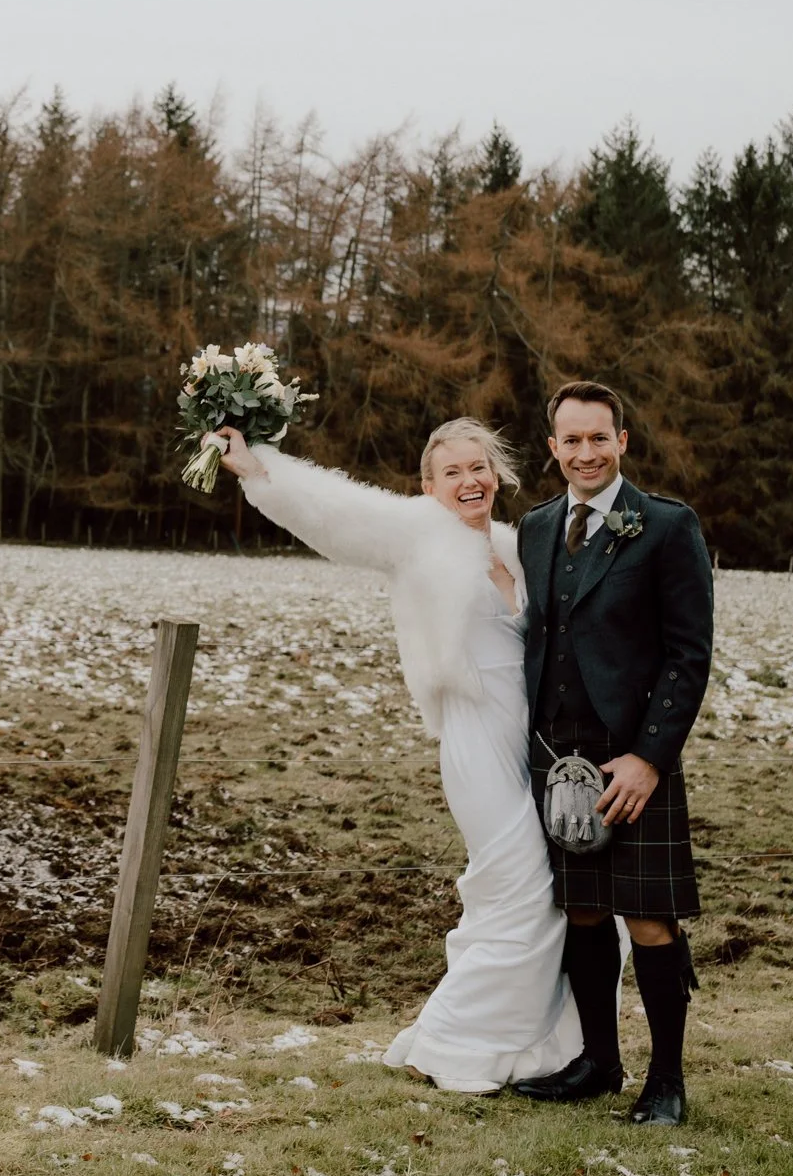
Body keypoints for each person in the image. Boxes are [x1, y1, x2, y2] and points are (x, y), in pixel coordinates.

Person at [207, 418, 582, 1094]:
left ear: (497, 473)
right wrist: (256, 466)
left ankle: (534, 1044)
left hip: (532, 740)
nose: (469, 482)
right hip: (472, 733)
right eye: (453, 472)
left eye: (479, 468)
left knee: (548, 890)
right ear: (427, 484)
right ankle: (452, 1041)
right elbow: (334, 514)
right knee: (518, 881)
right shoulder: (415, 533)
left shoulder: (516, 544)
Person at [506, 380, 713, 1126]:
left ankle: (666, 1080)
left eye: (600, 437)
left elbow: (689, 655)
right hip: (557, 757)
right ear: (552, 446)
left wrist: (649, 758)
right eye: (571, 439)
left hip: (633, 758)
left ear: (622, 441)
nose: (585, 451)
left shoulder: (663, 525)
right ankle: (599, 1061)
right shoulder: (533, 526)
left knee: (651, 918)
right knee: (583, 911)